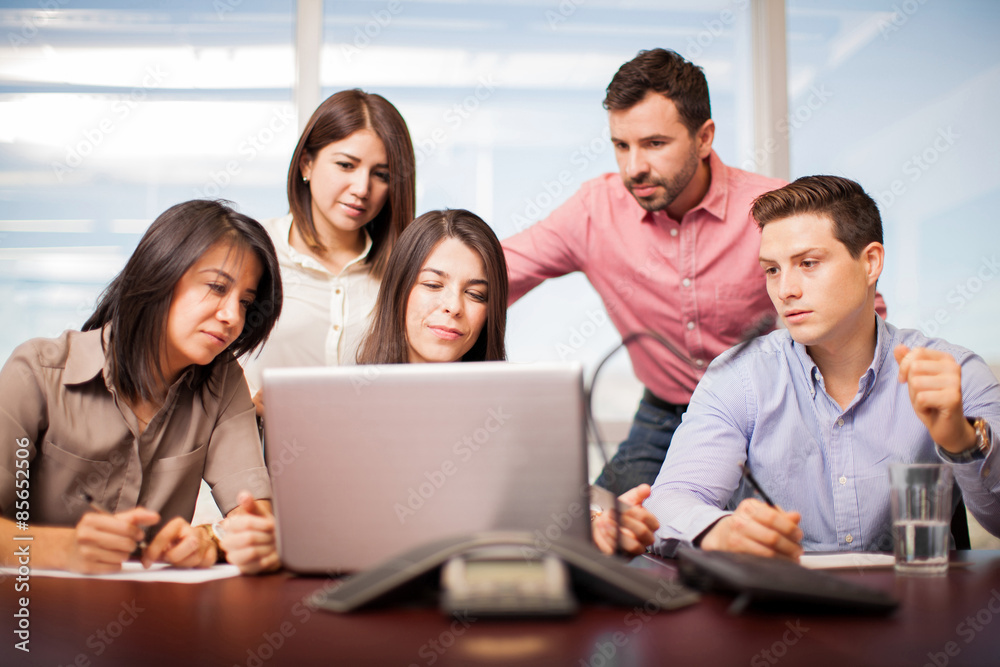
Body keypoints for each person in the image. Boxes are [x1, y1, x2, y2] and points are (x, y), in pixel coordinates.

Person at [502, 48, 886, 496]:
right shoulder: (593, 213)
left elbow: (857, 309)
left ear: (704, 138)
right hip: (665, 413)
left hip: (771, 408)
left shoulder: (773, 210)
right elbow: (494, 271)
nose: (633, 168)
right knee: (602, 528)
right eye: (621, 146)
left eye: (655, 144)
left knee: (762, 541)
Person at [645, 175, 1000, 559]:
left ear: (870, 262)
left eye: (808, 263)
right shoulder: (737, 377)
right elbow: (671, 500)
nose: (785, 290)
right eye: (772, 270)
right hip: (782, 609)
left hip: (917, 609)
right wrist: (720, 529)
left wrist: (963, 442)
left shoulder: (955, 373)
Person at [0, 200, 284, 574]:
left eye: (246, 302)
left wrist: (215, 540)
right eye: (217, 287)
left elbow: (252, 511)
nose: (233, 317)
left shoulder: (223, 380)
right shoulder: (37, 371)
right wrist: (61, 548)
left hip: (152, 615)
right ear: (159, 274)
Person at [357, 209, 658, 555]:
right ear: (398, 289)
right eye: (433, 285)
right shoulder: (348, 405)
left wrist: (593, 526)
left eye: (476, 294)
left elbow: (558, 498)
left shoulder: (509, 412)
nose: (453, 306)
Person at [243, 89, 416, 414]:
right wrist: (242, 406)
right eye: (346, 165)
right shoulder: (251, 250)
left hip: (371, 455)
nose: (362, 189)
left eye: (381, 175)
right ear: (306, 163)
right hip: (261, 455)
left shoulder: (405, 270)